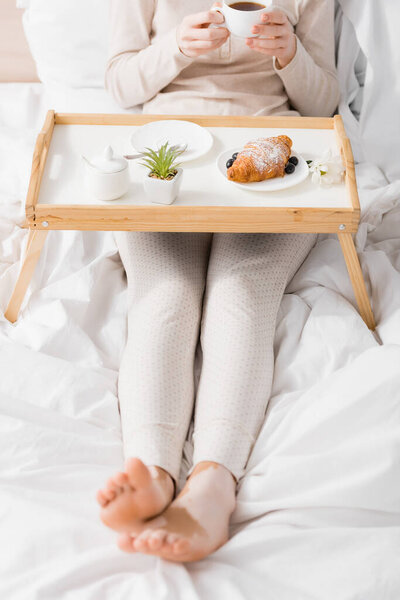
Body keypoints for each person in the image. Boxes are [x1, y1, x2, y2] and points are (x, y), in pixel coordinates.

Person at [96, 0, 340, 563]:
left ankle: (212, 485)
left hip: (276, 160)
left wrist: (290, 55)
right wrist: (176, 48)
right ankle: (152, 471)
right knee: (165, 299)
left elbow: (323, 101)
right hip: (165, 156)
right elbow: (119, 83)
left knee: (240, 298)